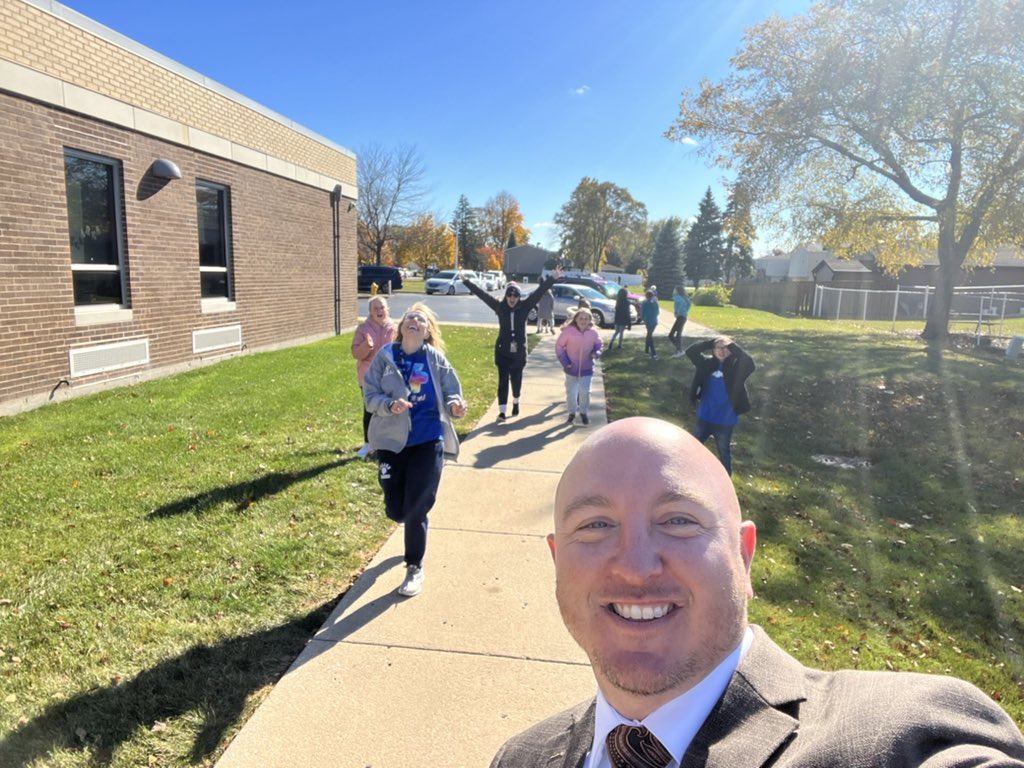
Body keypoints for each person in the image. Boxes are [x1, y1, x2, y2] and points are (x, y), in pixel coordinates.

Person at [490, 417, 1024, 768]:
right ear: (559, 561)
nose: (634, 567)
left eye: (677, 520)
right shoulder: (521, 758)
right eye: (596, 525)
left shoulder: (906, 735)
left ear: (744, 557)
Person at [362, 303, 467, 597]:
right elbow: (370, 394)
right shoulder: (386, 356)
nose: (415, 321)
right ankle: (402, 515)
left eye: (421, 319)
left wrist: (455, 406)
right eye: (410, 317)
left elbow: (452, 392)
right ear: (402, 326)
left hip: (427, 439)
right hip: (392, 441)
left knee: (417, 505)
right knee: (396, 508)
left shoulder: (435, 358)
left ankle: (414, 566)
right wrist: (388, 405)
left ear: (427, 331)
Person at [463, 267, 561, 421]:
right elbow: (482, 295)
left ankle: (515, 401)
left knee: (516, 380)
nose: (512, 298)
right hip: (502, 352)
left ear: (519, 296)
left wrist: (552, 278)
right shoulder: (499, 307)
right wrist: (466, 281)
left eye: (515, 295)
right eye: (509, 294)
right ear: (506, 296)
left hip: (519, 352)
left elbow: (539, 292)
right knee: (503, 381)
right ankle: (502, 411)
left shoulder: (525, 306)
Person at [686, 336, 755, 475]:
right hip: (705, 416)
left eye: (726, 348)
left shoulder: (736, 369)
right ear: (713, 350)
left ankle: (726, 480)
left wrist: (732, 346)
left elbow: (749, 364)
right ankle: (689, 473)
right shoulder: (706, 364)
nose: (722, 351)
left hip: (725, 419)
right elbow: (691, 352)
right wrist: (711, 342)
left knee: (724, 452)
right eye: (718, 348)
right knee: (693, 447)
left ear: (731, 351)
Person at [351, 296, 396, 458]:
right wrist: (366, 346)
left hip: (389, 377)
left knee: (390, 409)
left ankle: (387, 442)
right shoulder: (363, 329)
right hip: (368, 377)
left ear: (387, 310)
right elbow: (356, 354)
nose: (379, 311)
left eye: (382, 307)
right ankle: (368, 444)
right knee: (370, 410)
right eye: (375, 308)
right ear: (370, 312)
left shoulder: (395, 328)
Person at [555, 307, 603, 426]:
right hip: (571, 368)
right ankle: (571, 412)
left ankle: (583, 413)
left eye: (586, 319)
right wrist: (566, 362)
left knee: (585, 392)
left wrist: (596, 353)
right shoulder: (568, 332)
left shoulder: (593, 333)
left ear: (590, 320)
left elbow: (599, 345)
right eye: (581, 318)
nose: (583, 320)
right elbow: (559, 347)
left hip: (587, 369)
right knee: (571, 393)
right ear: (575, 319)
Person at [668, 286, 692, 357]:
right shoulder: (684, 297)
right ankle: (679, 350)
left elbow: (681, 304)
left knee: (672, 335)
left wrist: (677, 312)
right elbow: (689, 304)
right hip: (683, 317)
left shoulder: (677, 297)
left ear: (677, 291)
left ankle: (680, 350)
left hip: (681, 317)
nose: (673, 291)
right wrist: (685, 311)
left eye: (674, 290)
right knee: (677, 334)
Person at [640, 289, 660, 359]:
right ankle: (646, 351)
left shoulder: (644, 303)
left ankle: (653, 353)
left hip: (648, 322)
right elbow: (658, 313)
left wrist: (643, 318)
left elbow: (642, 313)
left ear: (646, 296)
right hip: (654, 321)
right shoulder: (655, 303)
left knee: (649, 336)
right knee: (649, 335)